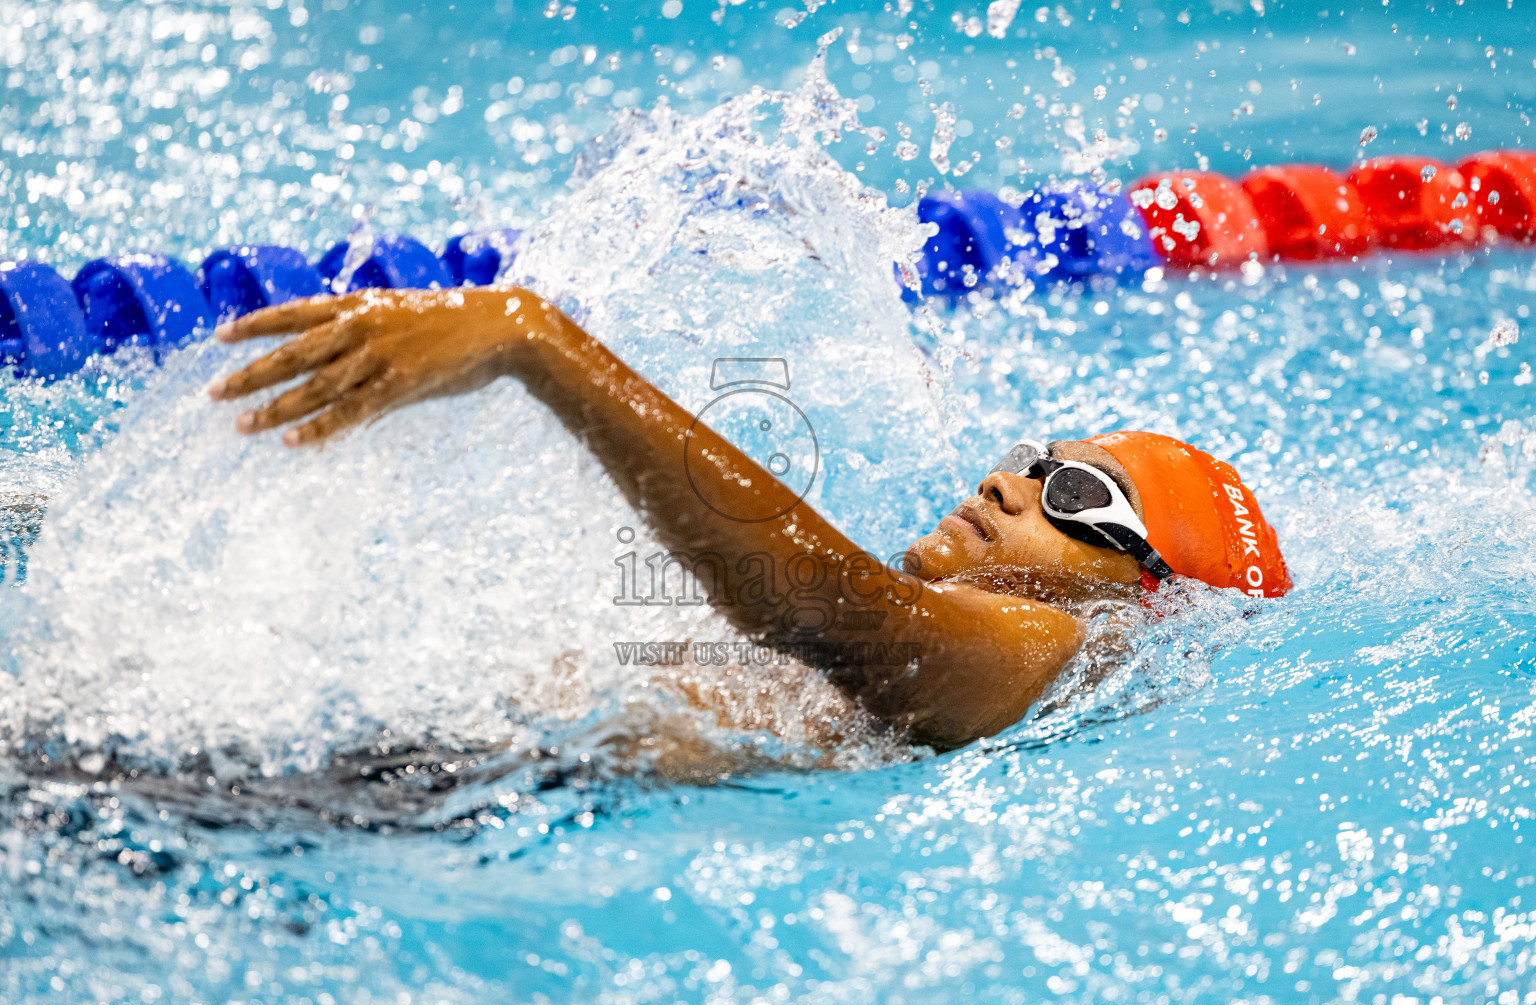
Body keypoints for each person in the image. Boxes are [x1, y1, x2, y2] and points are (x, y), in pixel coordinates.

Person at [210, 285, 1291, 752]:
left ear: (1151, 588)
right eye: (1030, 459)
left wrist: (535, 342)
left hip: (451, 785)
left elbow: (827, 611)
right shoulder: (991, 619)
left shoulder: (1063, 649)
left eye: (1077, 496)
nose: (1011, 484)